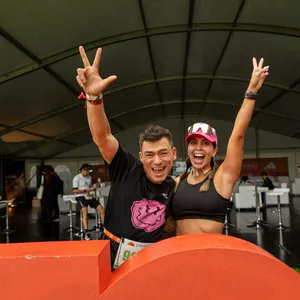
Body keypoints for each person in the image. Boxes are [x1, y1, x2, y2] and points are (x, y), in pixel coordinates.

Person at [76, 46, 176, 269]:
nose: (157, 161)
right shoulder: (127, 167)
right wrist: (93, 97)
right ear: (141, 156)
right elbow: (103, 137)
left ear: (174, 154)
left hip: (151, 262)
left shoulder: (173, 187)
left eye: (163, 153)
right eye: (149, 155)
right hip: (113, 258)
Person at [171, 57, 270, 235]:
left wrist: (251, 92)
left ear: (215, 150)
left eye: (205, 143)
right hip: (179, 258)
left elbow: (237, 136)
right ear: (188, 148)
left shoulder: (222, 177)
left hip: (210, 258)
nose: (198, 148)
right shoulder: (178, 182)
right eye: (193, 142)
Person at [73, 163, 105, 240]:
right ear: (82, 170)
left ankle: (105, 229)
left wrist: (94, 187)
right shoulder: (77, 178)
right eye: (86, 171)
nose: (88, 173)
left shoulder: (89, 177)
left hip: (88, 195)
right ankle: (86, 232)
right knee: (85, 210)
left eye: (88, 171)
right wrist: (85, 190)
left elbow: (89, 187)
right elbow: (74, 191)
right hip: (80, 196)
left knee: (101, 209)